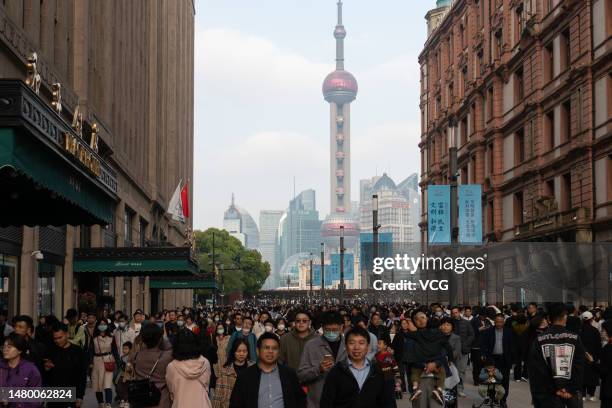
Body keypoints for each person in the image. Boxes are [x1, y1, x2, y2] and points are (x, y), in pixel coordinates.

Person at [528, 302, 585, 408]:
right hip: (571, 393)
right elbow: (579, 367)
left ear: (549, 319)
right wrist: (569, 389)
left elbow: (537, 370)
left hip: (548, 394)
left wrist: (554, 389)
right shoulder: (574, 338)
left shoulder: (540, 340)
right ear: (565, 317)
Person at [229, 332, 306, 408]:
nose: (270, 351)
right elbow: (235, 404)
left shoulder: (289, 374)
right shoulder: (244, 376)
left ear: (279, 352)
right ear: (258, 351)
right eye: (266, 347)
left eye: (274, 348)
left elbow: (300, 399)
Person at [320, 327, 389, 408]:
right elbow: (326, 402)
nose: (356, 347)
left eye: (361, 343)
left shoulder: (377, 371)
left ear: (368, 347)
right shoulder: (336, 372)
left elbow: (384, 402)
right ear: (346, 346)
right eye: (352, 343)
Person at [298, 311, 347, 408]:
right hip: (317, 402)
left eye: (335, 329)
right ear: (322, 328)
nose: (331, 333)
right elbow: (301, 375)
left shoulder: (349, 345)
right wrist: (318, 369)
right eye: (328, 330)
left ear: (341, 327)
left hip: (344, 401)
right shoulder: (311, 346)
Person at [404, 310, 450, 405]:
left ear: (427, 319)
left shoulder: (436, 334)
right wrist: (425, 365)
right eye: (417, 319)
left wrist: (435, 364)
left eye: (423, 317)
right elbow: (409, 357)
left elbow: (443, 352)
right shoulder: (411, 338)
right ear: (413, 322)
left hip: (436, 378)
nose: (421, 320)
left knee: (436, 404)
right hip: (419, 379)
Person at [166, 329, 212, 408]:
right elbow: (207, 385)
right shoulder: (205, 362)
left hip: (181, 403)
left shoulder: (172, 367)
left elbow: (172, 390)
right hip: (202, 403)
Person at [45, 324, 88, 408]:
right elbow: (47, 375)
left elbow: (82, 375)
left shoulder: (78, 352)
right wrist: (46, 369)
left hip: (72, 394)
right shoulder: (51, 351)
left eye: (60, 337)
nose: (57, 341)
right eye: (55, 338)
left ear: (67, 334)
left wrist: (79, 396)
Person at [131, 323, 173, 408]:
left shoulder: (135, 356)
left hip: (142, 398)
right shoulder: (167, 356)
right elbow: (170, 347)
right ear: (160, 339)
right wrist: (163, 338)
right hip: (161, 399)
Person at [0, 333, 42, 407]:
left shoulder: (31, 370)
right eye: (4, 347)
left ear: (20, 350)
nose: (5, 350)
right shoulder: (1, 366)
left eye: (9, 347)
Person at [480, 313, 513, 407]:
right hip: (492, 359)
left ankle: (503, 400)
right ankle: (492, 398)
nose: (499, 324)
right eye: (497, 322)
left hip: (504, 359)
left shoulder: (509, 331)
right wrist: (483, 354)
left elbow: (512, 346)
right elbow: (483, 344)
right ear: (494, 321)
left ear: (504, 322)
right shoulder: (489, 331)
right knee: (491, 379)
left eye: (501, 322)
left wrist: (512, 360)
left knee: (505, 380)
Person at [212, 339, 254, 408]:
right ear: (234, 351)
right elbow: (218, 395)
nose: (241, 354)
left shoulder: (253, 368)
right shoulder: (225, 370)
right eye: (238, 351)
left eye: (244, 351)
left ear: (248, 352)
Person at [450, 306, 474, 397]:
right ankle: (452, 388)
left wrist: (465, 344)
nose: (454, 314)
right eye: (453, 313)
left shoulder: (466, 323)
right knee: (452, 370)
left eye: (456, 312)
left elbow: (472, 335)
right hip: (453, 350)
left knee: (462, 370)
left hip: (464, 350)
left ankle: (460, 389)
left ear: (459, 312)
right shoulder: (450, 322)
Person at [91, 319, 114, 408]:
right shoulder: (94, 338)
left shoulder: (111, 337)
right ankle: (100, 402)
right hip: (96, 361)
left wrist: (119, 363)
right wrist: (90, 363)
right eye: (100, 324)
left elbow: (114, 350)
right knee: (97, 384)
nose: (102, 326)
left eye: (104, 324)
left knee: (108, 384)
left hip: (108, 361)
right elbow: (91, 351)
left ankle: (108, 403)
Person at [580, 311, 601, 402]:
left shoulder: (579, 330)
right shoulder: (595, 331)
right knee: (592, 375)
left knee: (582, 375)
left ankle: (583, 395)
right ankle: (591, 395)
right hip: (593, 357)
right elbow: (598, 345)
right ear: (592, 319)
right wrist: (598, 357)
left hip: (581, 357)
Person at [375, 336, 399, 408]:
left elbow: (395, 367)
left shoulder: (389, 355)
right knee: (382, 396)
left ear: (385, 346)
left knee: (390, 397)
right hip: (380, 379)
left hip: (389, 379)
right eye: (377, 343)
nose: (377, 345)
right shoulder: (376, 355)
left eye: (379, 343)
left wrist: (398, 378)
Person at [116, 341, 134, 408]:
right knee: (120, 387)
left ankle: (127, 401)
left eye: (126, 349)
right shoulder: (122, 357)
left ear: (130, 349)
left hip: (129, 376)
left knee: (127, 388)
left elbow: (132, 367)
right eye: (123, 348)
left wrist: (129, 366)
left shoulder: (131, 357)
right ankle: (122, 400)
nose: (124, 350)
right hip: (122, 374)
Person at [600, 320, 611, 408]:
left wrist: (592, 362)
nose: (602, 333)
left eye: (603, 330)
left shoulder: (607, 348)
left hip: (608, 389)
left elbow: (603, 370)